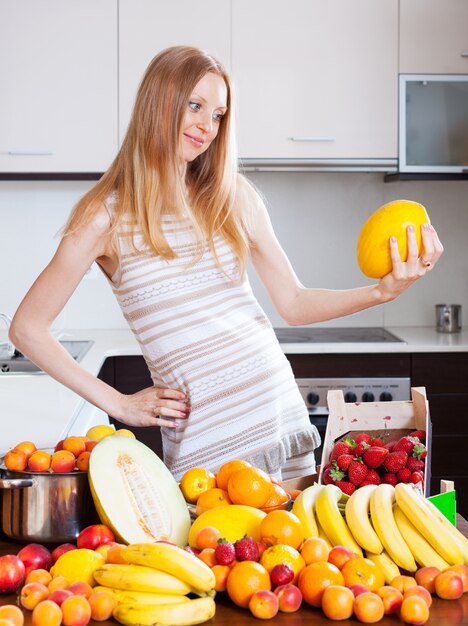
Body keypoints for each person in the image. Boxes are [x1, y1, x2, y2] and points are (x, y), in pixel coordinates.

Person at [9, 46, 443, 481]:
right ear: (157, 102)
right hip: (206, 444)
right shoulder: (105, 215)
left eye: (218, 115)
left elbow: (293, 302)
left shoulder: (233, 196)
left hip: (276, 417)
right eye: (195, 106)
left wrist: (382, 292)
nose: (207, 126)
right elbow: (27, 328)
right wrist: (120, 404)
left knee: (294, 550)